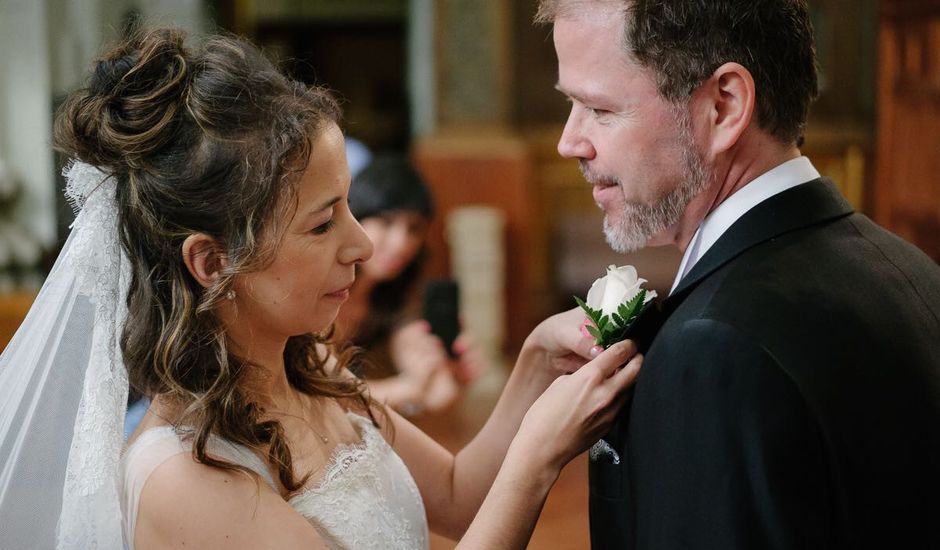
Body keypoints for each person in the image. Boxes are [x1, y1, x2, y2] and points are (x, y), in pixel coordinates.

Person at [0, 28, 642, 550]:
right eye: (322, 222)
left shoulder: (311, 368)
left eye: (350, 207)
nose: (362, 245)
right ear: (212, 260)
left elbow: (456, 491)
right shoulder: (185, 478)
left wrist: (534, 359)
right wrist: (535, 461)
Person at [535, 1, 940, 548]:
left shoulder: (715, 347)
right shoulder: (910, 270)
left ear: (723, 106)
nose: (569, 142)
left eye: (599, 109)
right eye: (571, 104)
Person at [337, 154, 486, 416]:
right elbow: (317, 394)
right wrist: (404, 389)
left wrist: (452, 373)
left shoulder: (393, 298)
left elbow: (441, 394)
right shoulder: (320, 289)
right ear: (355, 216)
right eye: (386, 222)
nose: (401, 243)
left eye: (414, 228)